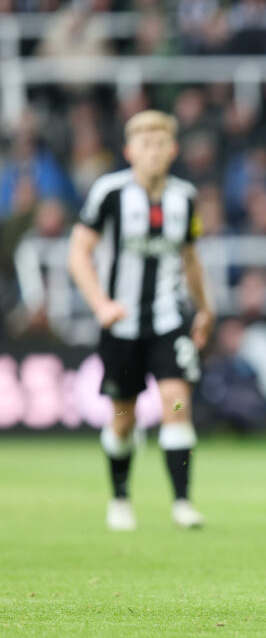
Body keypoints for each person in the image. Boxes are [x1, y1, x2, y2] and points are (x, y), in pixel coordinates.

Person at [68, 110, 214, 531]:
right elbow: (79, 252)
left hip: (169, 321)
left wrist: (204, 308)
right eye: (144, 144)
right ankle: (119, 498)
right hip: (121, 324)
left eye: (160, 143)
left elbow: (190, 258)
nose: (153, 151)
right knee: (123, 418)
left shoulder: (184, 198)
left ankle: (183, 502)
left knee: (177, 404)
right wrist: (101, 304)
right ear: (130, 151)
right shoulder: (109, 192)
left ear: (173, 150)